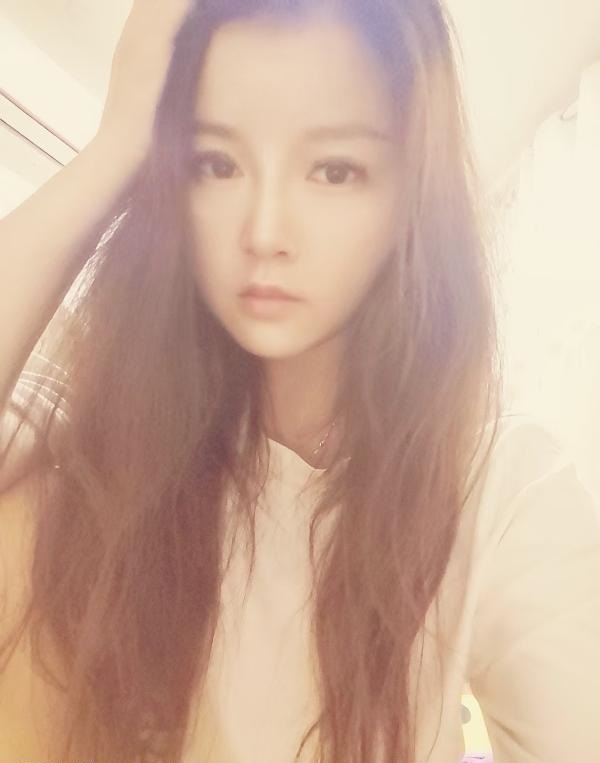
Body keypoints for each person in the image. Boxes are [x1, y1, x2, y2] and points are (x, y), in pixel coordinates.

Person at [0, 1, 599, 761]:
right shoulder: (106, 433)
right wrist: (113, 147)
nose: (265, 231)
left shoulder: (499, 488)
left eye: (333, 169)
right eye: (217, 163)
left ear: (410, 199)